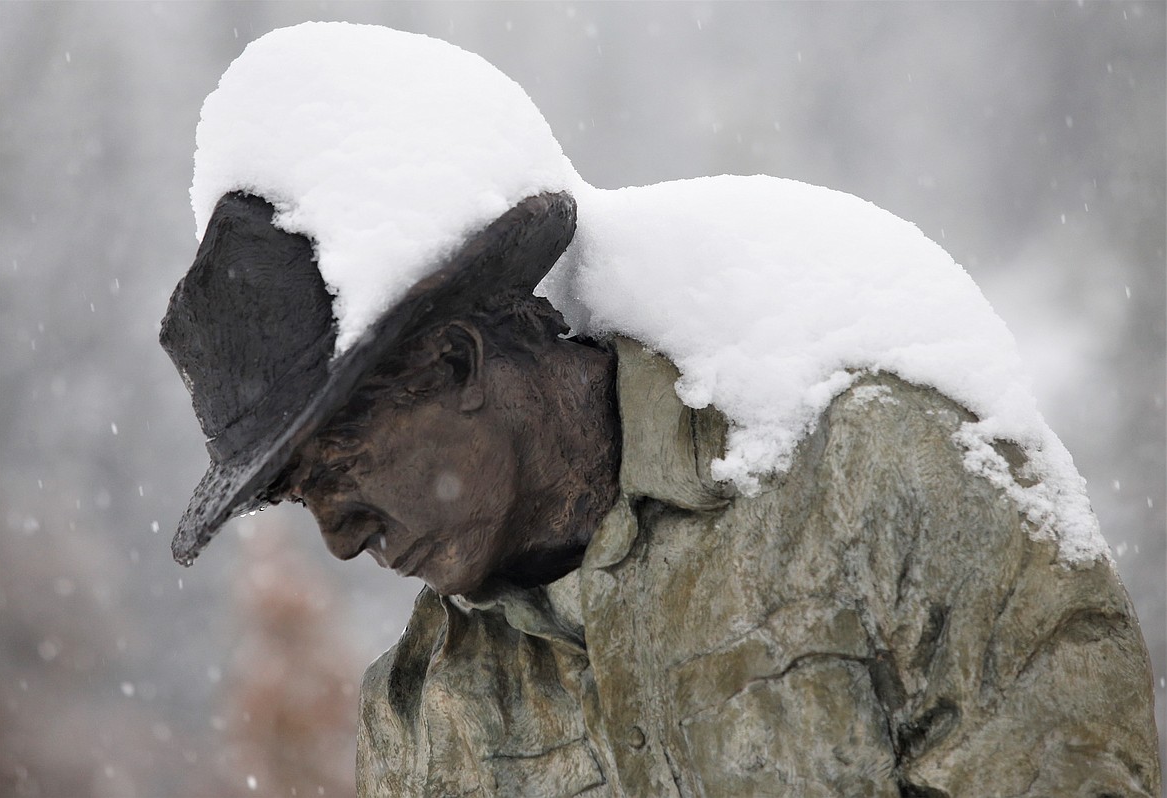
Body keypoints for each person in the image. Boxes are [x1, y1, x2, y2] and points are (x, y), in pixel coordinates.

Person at [163, 22, 1160, 798]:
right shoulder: (422, 722)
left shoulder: (872, 473)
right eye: (303, 502)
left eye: (337, 469)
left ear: (456, 363)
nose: (339, 540)